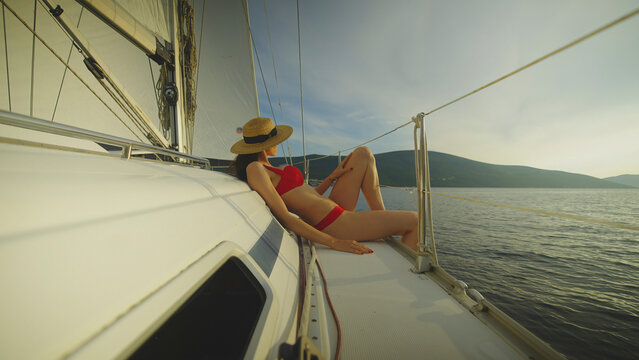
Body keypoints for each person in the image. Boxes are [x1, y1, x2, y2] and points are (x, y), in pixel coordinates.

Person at [230, 117, 418, 255]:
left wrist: (331, 178)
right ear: (266, 144)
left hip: (333, 207)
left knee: (363, 154)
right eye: (275, 138)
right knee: (416, 221)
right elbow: (285, 217)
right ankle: (404, 265)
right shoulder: (255, 168)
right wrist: (334, 242)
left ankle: (384, 225)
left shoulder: (276, 168)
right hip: (336, 225)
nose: (279, 142)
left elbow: (309, 195)